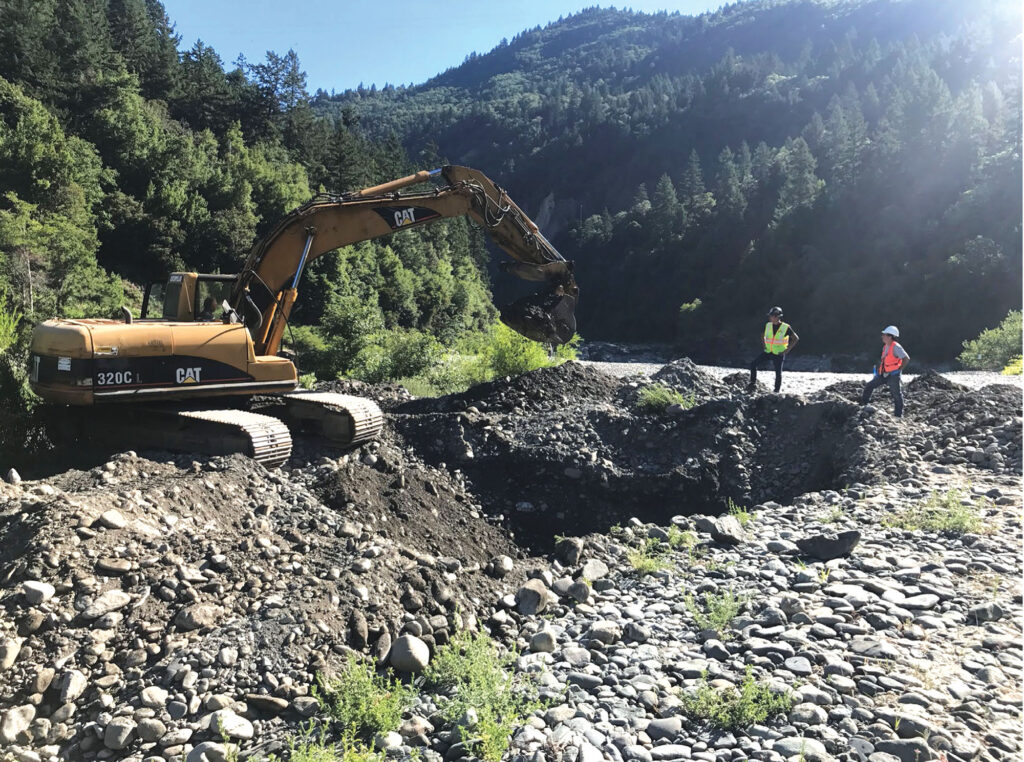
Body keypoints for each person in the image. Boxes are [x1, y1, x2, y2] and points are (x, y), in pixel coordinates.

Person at [748, 306, 799, 393]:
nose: (769, 317)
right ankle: (752, 384)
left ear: (777, 317)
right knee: (753, 364)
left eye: (771, 316)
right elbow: (762, 335)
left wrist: (787, 350)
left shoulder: (785, 327)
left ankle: (776, 391)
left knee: (778, 374)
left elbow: (796, 338)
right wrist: (764, 346)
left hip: (779, 353)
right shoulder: (768, 325)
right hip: (768, 351)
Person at [861, 325, 909, 417]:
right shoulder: (885, 347)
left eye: (884, 334)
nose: (882, 336)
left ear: (890, 336)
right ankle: (863, 405)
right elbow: (885, 361)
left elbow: (906, 358)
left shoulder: (896, 347)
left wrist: (899, 369)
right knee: (869, 386)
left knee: (896, 395)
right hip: (884, 374)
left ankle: (898, 416)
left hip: (894, 375)